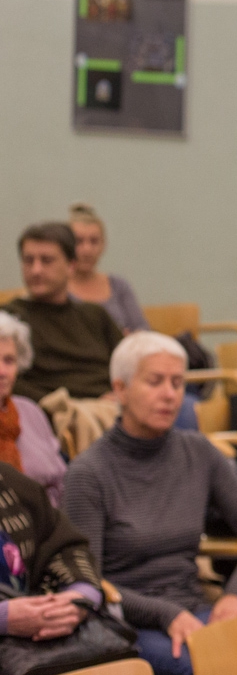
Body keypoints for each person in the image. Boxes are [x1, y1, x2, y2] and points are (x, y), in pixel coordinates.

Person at [63, 332, 237, 675]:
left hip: (195, 608)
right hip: (128, 624)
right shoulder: (89, 473)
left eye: (178, 383)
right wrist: (165, 614)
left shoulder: (198, 451)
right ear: (120, 389)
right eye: (155, 381)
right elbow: (89, 583)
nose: (170, 394)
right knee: (214, 671)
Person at [3, 223, 122, 401]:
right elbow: (10, 381)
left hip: (111, 407)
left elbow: (131, 366)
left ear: (71, 266)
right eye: (29, 261)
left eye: (46, 260)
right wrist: (61, 407)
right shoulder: (9, 320)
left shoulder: (95, 315)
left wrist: (122, 395)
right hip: (53, 413)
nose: (36, 270)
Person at [0, 459, 102, 643]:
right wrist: (4, 618)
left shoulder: (10, 481)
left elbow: (64, 543)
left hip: (43, 639)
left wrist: (78, 599)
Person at [0, 314, 68, 503]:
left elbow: (61, 481)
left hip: (50, 522)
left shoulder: (30, 411)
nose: (2, 372)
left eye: (9, 360)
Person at [66, 203, 146, 333]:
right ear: (67, 245)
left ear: (103, 244)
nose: (87, 249)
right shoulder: (58, 290)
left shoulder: (119, 286)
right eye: (79, 241)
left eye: (94, 241)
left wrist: (130, 339)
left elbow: (143, 330)